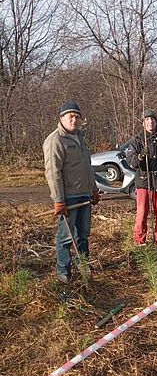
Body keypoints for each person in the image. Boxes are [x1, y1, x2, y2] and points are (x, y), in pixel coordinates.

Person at [43, 100, 99, 283]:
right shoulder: (55, 140)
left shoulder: (80, 138)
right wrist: (58, 200)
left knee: (83, 234)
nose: (74, 120)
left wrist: (94, 189)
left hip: (84, 195)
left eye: (77, 116)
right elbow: (53, 172)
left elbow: (87, 167)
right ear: (61, 119)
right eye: (71, 116)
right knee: (66, 237)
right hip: (68, 197)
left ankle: (82, 263)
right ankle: (63, 270)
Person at [127, 109, 157, 247]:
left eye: (152, 119)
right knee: (142, 212)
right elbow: (132, 162)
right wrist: (141, 156)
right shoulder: (137, 140)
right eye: (147, 120)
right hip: (143, 181)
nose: (150, 122)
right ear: (143, 123)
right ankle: (139, 239)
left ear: (156, 121)